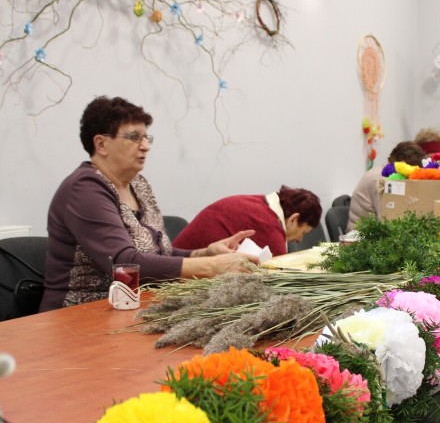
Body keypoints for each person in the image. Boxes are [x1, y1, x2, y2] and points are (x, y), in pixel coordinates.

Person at [40, 96, 257, 312]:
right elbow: (124, 264)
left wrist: (205, 254)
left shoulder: (138, 184)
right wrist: (211, 268)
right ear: (101, 144)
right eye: (134, 138)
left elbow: (158, 254)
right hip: (80, 314)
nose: (145, 147)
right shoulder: (85, 188)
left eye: (146, 138)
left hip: (135, 307)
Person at [171, 186, 322, 257]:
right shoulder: (270, 227)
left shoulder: (259, 203)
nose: (299, 239)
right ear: (293, 219)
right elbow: (279, 281)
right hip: (171, 282)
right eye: (303, 233)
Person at [347, 141, 426, 231]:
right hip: (360, 236)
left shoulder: (389, 175)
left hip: (375, 233)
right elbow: (386, 220)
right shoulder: (379, 179)